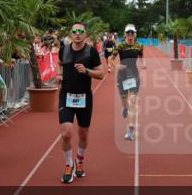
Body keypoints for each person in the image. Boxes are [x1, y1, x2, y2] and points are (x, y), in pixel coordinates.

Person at [57, 23, 103, 183]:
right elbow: (59, 64)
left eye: (80, 31)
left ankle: (80, 160)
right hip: (66, 96)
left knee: (83, 133)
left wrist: (87, 71)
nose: (77, 34)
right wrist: (59, 75)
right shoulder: (65, 49)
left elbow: (101, 73)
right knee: (66, 133)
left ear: (85, 34)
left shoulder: (91, 52)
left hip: (84, 97)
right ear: (71, 34)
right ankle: (69, 164)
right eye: (74, 31)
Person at [114, 24, 146, 141]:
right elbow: (110, 59)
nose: (130, 35)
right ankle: (124, 108)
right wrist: (116, 66)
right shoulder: (120, 46)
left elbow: (142, 56)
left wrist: (143, 64)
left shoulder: (139, 46)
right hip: (122, 76)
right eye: (128, 33)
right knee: (124, 100)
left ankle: (130, 129)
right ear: (125, 34)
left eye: (132, 32)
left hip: (134, 76)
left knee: (133, 101)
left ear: (135, 34)